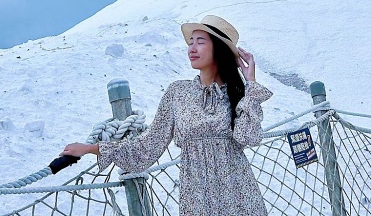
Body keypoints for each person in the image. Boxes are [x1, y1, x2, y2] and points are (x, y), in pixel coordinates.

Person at [61, 15, 272, 216]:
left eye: (200, 42)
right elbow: (148, 146)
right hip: (197, 199)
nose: (192, 48)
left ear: (218, 49)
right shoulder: (177, 93)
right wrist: (92, 148)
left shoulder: (238, 94)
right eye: (190, 42)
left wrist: (251, 84)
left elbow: (248, 137)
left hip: (240, 195)